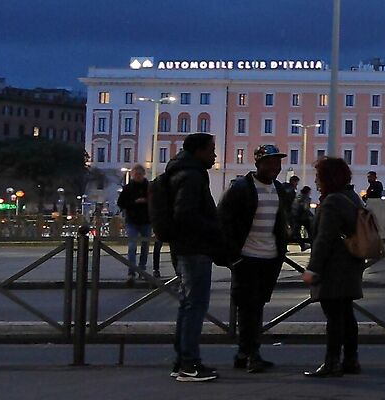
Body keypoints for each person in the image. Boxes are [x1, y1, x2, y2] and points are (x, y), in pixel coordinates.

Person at [152, 131, 234, 383]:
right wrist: (214, 228)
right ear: (198, 151)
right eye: (211, 150)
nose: (215, 155)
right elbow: (186, 214)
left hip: (185, 248)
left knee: (188, 305)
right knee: (194, 306)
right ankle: (189, 363)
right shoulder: (191, 177)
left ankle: (183, 361)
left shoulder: (183, 172)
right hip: (193, 249)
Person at [217, 145, 289, 373]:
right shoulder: (241, 188)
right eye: (269, 163)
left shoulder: (279, 189)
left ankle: (244, 353)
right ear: (258, 164)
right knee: (248, 308)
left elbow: (281, 222)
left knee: (257, 307)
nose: (274, 168)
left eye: (277, 163)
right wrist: (232, 256)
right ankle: (251, 354)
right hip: (247, 257)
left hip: (270, 258)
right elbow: (224, 220)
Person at [300, 155, 367, 378]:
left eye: (319, 177)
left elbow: (324, 239)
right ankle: (351, 359)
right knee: (346, 315)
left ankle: (332, 362)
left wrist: (312, 268)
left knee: (335, 317)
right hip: (351, 264)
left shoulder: (331, 202)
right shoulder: (353, 198)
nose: (317, 181)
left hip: (333, 268)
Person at [114, 164, 154, 283]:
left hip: (146, 220)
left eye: (139, 175)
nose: (137, 177)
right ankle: (131, 271)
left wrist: (146, 202)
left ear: (143, 175)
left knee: (145, 247)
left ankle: (142, 268)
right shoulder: (128, 188)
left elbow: (154, 202)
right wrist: (134, 202)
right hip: (132, 220)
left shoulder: (149, 187)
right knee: (132, 246)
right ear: (132, 175)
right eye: (135, 175)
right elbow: (121, 203)